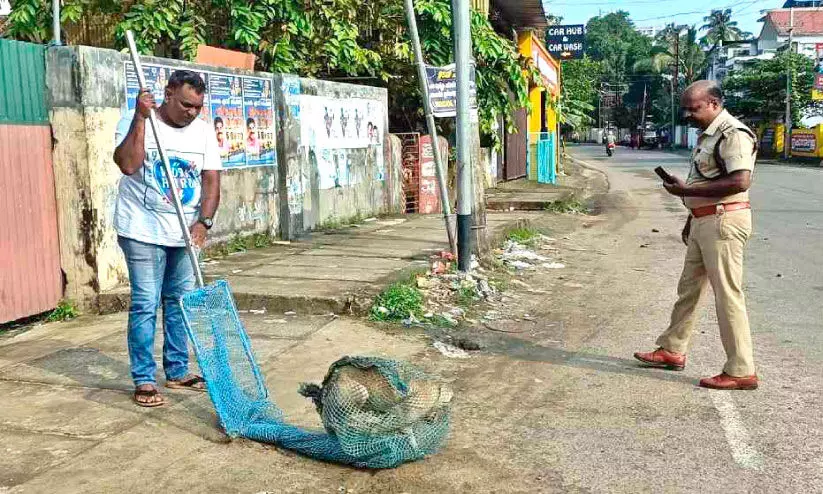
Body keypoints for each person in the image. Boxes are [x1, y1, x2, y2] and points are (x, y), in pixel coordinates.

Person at [634, 80, 759, 390]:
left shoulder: (734, 134)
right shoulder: (708, 136)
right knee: (688, 289)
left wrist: (686, 190)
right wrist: (691, 214)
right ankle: (672, 349)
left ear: (714, 103)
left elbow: (740, 181)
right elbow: (707, 182)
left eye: (694, 108)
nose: (687, 115)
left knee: (728, 295)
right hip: (704, 221)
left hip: (724, 222)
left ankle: (741, 369)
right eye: (685, 110)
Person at [113, 70, 223, 407]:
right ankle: (144, 379)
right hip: (141, 229)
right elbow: (128, 165)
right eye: (187, 105)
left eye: (198, 107)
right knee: (146, 303)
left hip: (185, 231)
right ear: (168, 93)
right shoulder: (138, 122)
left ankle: (177, 370)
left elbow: (211, 181)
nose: (192, 112)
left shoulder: (203, 133)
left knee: (178, 302)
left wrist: (204, 222)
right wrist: (140, 119)